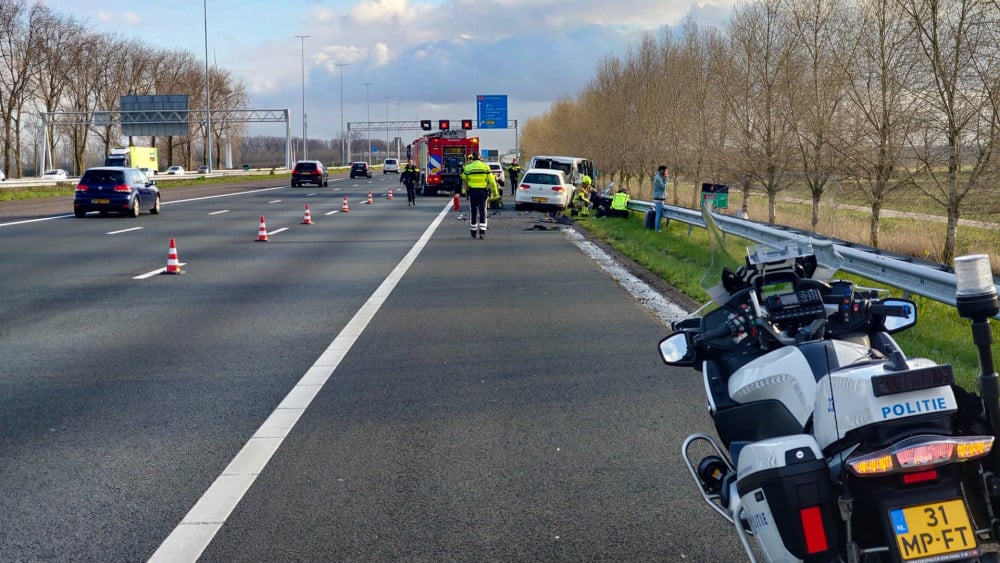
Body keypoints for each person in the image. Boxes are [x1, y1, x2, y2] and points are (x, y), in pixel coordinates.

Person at [461, 151, 498, 239]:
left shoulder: (468, 167)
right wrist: (495, 192)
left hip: (472, 192)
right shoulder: (486, 167)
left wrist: (464, 190)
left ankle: (473, 231)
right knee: (482, 211)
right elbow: (492, 181)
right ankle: (482, 232)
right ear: (480, 158)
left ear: (472, 158)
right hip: (483, 192)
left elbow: (463, 178)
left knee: (473, 211)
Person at [652, 165, 669, 232]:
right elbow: (663, 187)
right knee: (658, 215)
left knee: (660, 214)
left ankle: (657, 228)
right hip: (658, 199)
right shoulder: (658, 178)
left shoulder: (659, 177)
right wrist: (666, 179)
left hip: (660, 198)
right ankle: (657, 229)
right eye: (666, 171)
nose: (667, 172)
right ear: (662, 171)